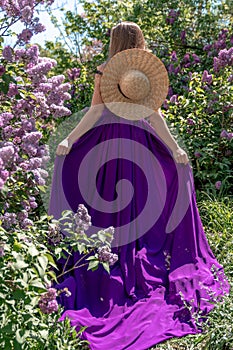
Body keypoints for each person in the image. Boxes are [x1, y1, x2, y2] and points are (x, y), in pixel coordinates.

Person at [48, 21, 230, 350]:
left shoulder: (106, 69)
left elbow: (95, 112)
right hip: (139, 145)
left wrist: (70, 140)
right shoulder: (142, 72)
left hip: (107, 145)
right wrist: (173, 148)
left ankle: (115, 256)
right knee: (139, 207)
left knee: (107, 206)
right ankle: (130, 254)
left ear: (115, 40)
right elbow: (154, 116)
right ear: (138, 39)